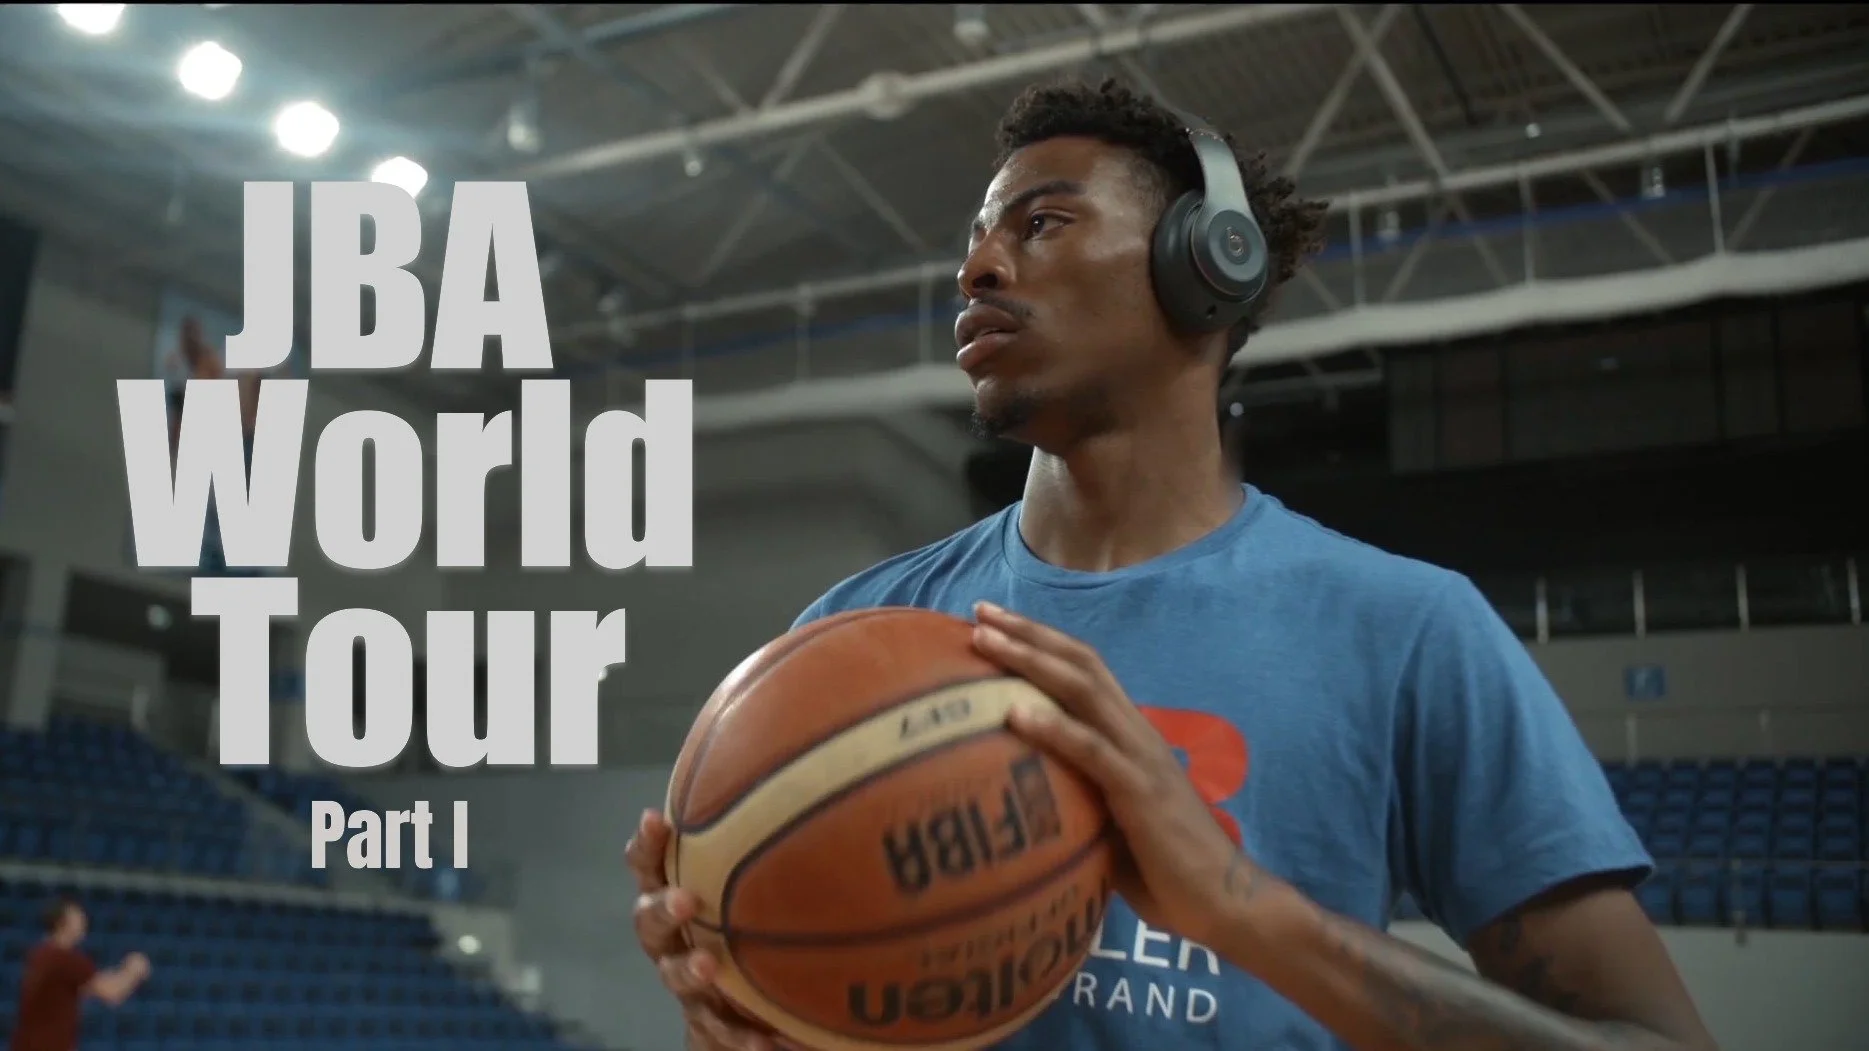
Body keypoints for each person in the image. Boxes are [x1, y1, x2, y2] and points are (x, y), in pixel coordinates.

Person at [627, 78, 1718, 1051]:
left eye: (1040, 221)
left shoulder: (1406, 628)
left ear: (1205, 264)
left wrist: (1241, 905)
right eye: (973, 238)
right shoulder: (854, 626)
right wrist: (744, 1007)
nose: (976, 266)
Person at [8, 899, 150, 1051]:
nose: (84, 921)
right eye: (78, 917)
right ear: (63, 922)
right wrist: (133, 970)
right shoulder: (66, 959)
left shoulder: (39, 954)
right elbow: (112, 993)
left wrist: (119, 973)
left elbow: (85, 986)